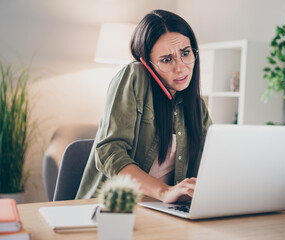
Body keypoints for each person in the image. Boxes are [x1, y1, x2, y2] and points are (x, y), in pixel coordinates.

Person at [76, 9, 212, 203]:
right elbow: (109, 151)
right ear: (147, 64)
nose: (180, 67)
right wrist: (165, 192)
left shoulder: (197, 107)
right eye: (166, 59)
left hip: (162, 212)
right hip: (114, 208)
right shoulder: (133, 77)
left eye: (185, 53)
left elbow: (213, 160)